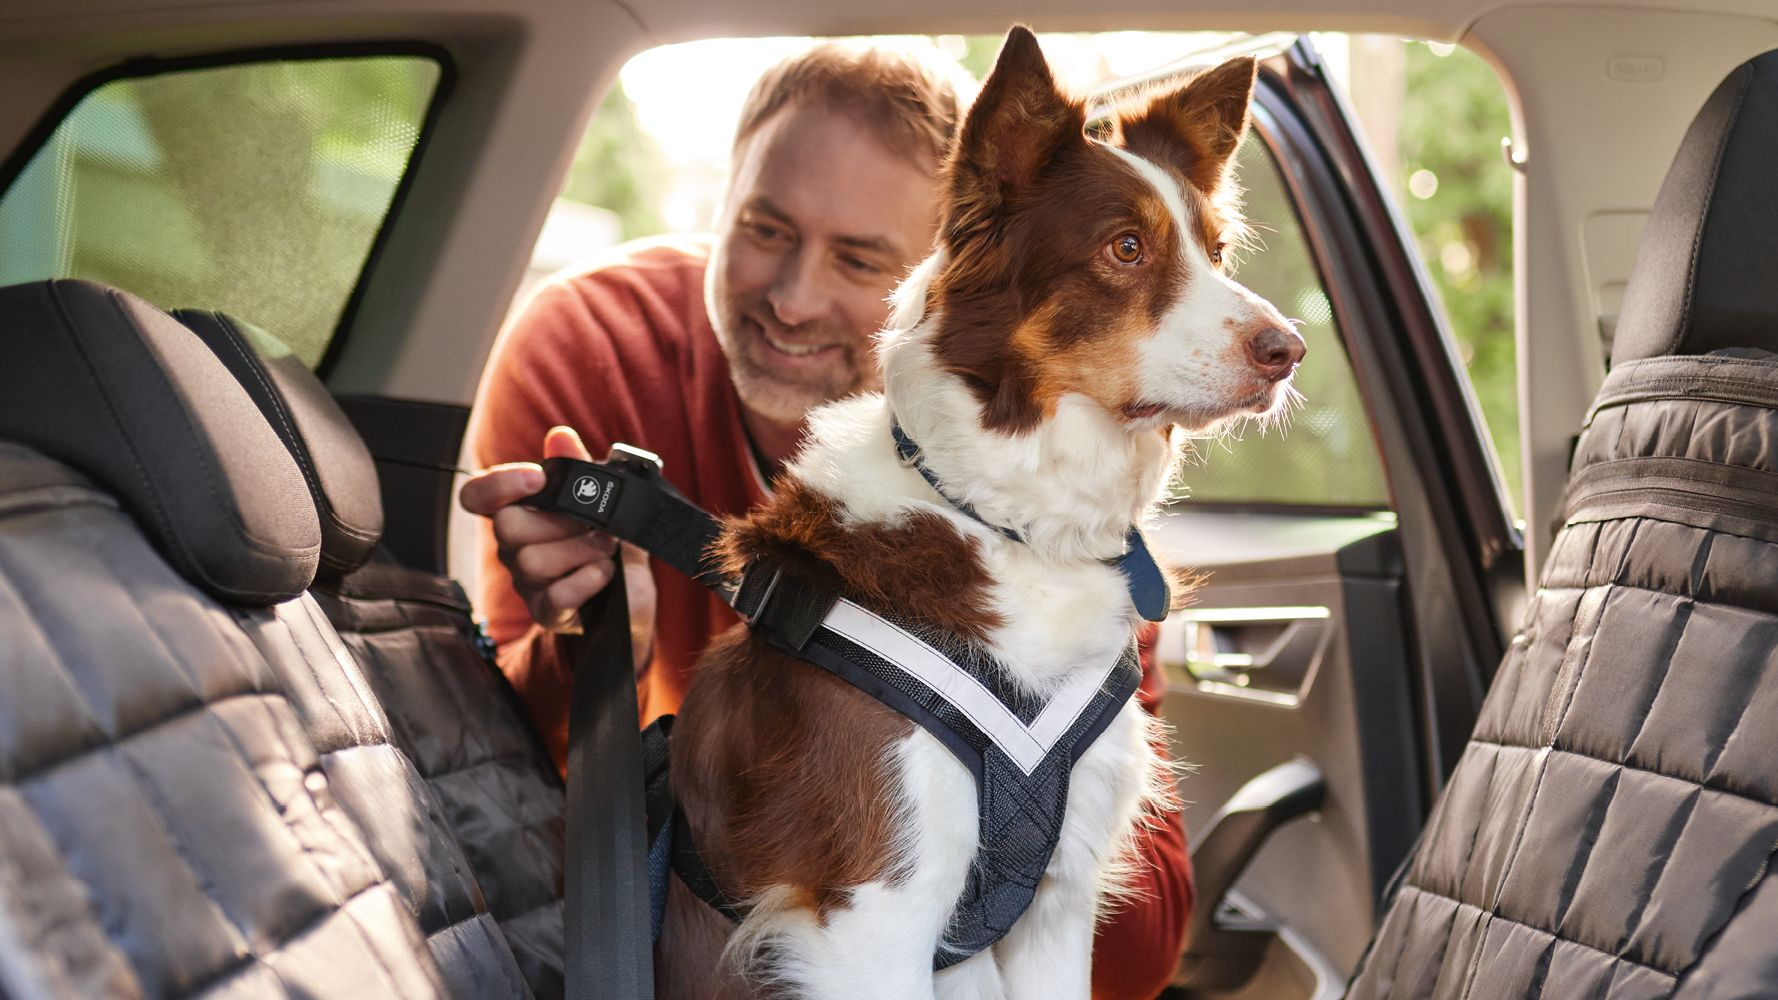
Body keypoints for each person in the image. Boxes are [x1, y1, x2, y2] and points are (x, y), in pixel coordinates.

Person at [459, 41, 1194, 999]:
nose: (793, 299)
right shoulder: (591, 343)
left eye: (858, 258)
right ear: (719, 209)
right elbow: (513, 803)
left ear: (963, 268)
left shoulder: (1052, 485)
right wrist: (596, 646)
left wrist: (1030, 788)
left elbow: (1138, 949)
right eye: (765, 229)